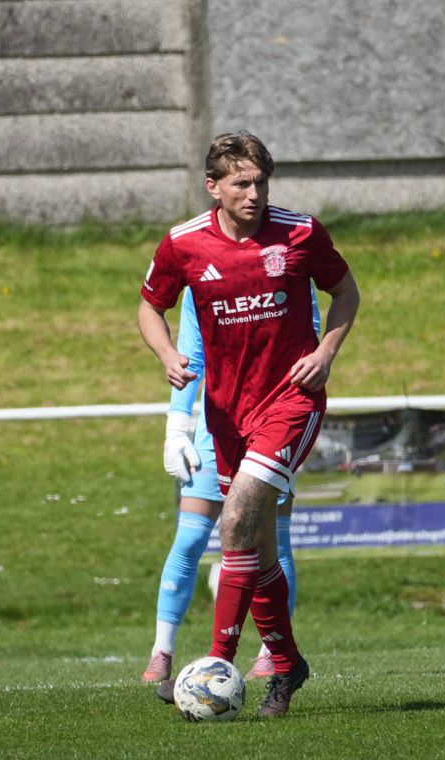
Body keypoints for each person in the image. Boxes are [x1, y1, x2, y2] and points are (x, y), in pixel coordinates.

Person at [137, 130, 360, 717]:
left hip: (290, 403)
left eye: (261, 182)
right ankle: (287, 666)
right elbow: (150, 306)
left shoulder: (300, 233)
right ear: (213, 187)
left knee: (234, 521)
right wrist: (167, 355)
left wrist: (326, 353)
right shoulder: (184, 243)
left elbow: (345, 292)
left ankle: (215, 666)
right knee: (256, 551)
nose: (255, 194)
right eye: (242, 183)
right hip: (226, 415)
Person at [141, 283, 318, 685]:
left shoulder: (289, 268)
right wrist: (177, 426)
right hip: (216, 427)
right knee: (190, 538)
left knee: (273, 542)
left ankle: (272, 653)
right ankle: (162, 651)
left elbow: (308, 341)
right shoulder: (201, 275)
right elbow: (190, 352)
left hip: (274, 424)